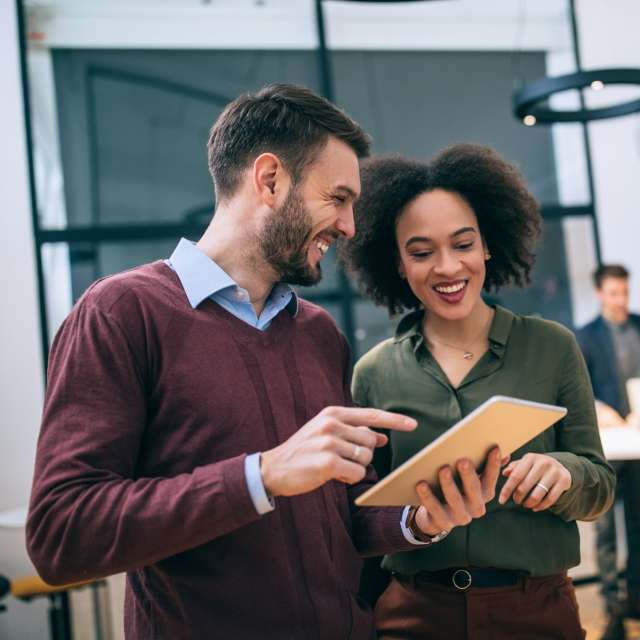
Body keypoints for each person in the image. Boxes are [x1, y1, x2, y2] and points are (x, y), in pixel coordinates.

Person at [25, 85, 503, 640]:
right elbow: (62, 535)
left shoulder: (318, 332)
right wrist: (263, 474)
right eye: (338, 198)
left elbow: (344, 512)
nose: (350, 226)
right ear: (270, 179)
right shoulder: (121, 312)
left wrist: (418, 521)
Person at [340, 146, 616, 640]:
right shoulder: (374, 373)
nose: (448, 268)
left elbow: (599, 485)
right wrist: (418, 521)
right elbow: (359, 520)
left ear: (488, 244)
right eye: (421, 253)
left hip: (536, 613)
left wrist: (564, 473)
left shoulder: (552, 347)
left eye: (463, 244)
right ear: (399, 264)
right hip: (415, 615)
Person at [576, 264, 640, 640]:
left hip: (638, 444)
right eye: (614, 293)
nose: (621, 300)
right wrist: (603, 410)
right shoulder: (584, 337)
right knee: (605, 533)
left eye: (625, 293)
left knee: (639, 526)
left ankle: (636, 599)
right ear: (600, 293)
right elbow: (580, 389)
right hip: (606, 447)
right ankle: (612, 611)